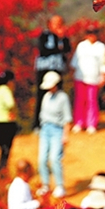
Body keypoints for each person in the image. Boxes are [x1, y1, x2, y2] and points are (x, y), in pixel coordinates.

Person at [37, 71, 72, 199]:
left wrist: (65, 135)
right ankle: (45, 184)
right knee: (41, 159)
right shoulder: (46, 97)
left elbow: (67, 118)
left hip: (57, 130)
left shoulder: (62, 97)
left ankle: (60, 186)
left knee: (54, 159)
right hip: (45, 130)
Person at [33, 15, 71, 131]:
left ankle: (58, 120)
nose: (57, 26)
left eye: (59, 23)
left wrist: (62, 39)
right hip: (44, 68)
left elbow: (67, 49)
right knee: (42, 95)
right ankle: (38, 124)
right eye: (55, 23)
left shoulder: (63, 37)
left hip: (58, 68)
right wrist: (57, 46)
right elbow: (43, 50)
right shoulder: (45, 36)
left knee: (58, 94)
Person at [71, 25, 105, 134]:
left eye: (93, 33)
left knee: (92, 101)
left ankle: (91, 124)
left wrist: (103, 76)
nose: (91, 36)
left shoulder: (100, 47)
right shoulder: (81, 46)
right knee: (80, 100)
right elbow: (75, 62)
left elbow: (103, 63)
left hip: (93, 77)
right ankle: (79, 122)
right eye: (89, 33)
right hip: (80, 77)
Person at [0, 70, 17, 174]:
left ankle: (1, 168)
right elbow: (10, 104)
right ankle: (2, 168)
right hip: (6, 122)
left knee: (2, 147)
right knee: (6, 148)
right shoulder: (5, 90)